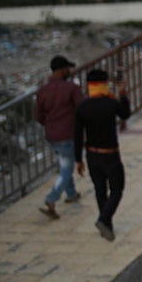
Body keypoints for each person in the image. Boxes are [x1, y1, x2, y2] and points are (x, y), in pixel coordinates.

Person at [73, 68, 131, 241]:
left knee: (100, 190)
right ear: (104, 84)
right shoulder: (111, 104)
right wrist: (122, 91)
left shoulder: (82, 107)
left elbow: (77, 135)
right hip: (110, 155)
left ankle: (107, 226)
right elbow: (125, 113)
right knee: (117, 189)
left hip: (92, 155)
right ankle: (104, 219)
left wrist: (78, 159)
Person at [36, 55, 83, 219]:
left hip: (51, 135)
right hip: (67, 134)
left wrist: (50, 125)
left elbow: (38, 116)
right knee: (66, 168)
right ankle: (51, 198)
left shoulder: (43, 90)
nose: (69, 71)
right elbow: (81, 109)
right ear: (62, 70)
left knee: (64, 163)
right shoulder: (71, 88)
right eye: (67, 69)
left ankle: (71, 193)